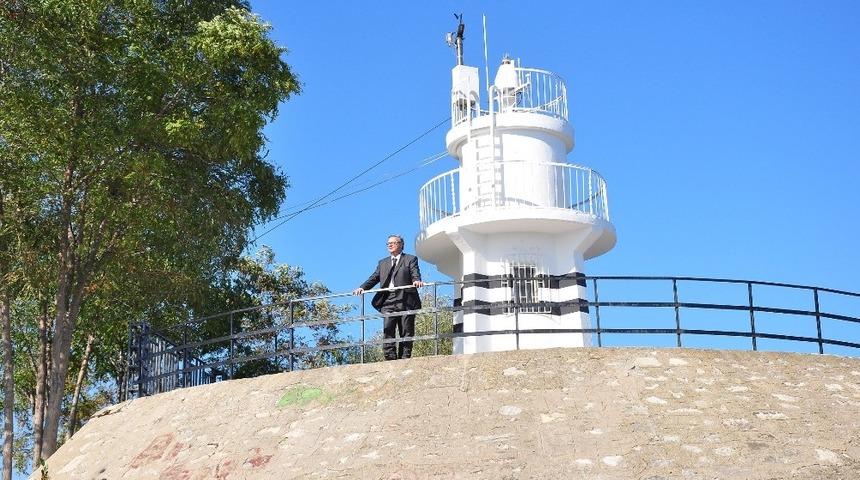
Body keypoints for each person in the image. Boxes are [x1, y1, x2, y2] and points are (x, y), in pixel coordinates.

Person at [353, 235, 424, 360]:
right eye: (388, 243)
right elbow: (374, 278)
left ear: (401, 244)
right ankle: (390, 357)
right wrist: (362, 288)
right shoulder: (383, 263)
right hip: (388, 299)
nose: (390, 245)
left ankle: (405, 357)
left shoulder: (410, 259)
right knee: (388, 328)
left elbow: (414, 272)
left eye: (393, 243)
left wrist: (417, 280)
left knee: (406, 329)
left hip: (406, 298)